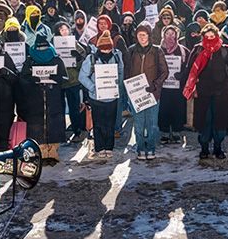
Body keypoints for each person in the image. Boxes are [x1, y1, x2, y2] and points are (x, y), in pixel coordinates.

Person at [183, 24, 228, 159]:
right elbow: (190, 68)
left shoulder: (225, 50)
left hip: (222, 93)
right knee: (205, 121)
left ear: (217, 36)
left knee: (220, 121)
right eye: (207, 36)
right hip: (203, 93)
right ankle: (204, 148)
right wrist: (193, 84)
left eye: (212, 36)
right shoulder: (198, 49)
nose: (209, 39)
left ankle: (218, 148)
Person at [18, 32, 68, 165]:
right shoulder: (31, 61)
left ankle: (52, 153)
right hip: (36, 99)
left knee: (53, 124)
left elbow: (63, 78)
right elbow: (23, 79)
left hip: (52, 98)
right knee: (37, 125)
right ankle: (41, 153)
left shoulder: (55, 60)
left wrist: (55, 79)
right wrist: (33, 80)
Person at [125, 22, 168, 160]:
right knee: (138, 124)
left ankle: (150, 148)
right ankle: (140, 149)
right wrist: (129, 88)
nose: (142, 37)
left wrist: (155, 85)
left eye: (144, 35)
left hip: (152, 93)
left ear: (149, 35)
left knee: (152, 124)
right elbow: (126, 71)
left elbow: (164, 71)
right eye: (139, 35)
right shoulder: (131, 50)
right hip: (136, 94)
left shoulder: (157, 51)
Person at [79, 30, 124, 158]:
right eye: (103, 48)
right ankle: (99, 147)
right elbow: (82, 76)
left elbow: (121, 73)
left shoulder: (116, 57)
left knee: (110, 123)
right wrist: (93, 88)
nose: (106, 51)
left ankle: (109, 147)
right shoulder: (91, 59)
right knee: (98, 123)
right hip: (96, 97)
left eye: (108, 48)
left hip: (111, 97)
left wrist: (117, 86)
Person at [157, 24, 189, 144]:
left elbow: (188, 66)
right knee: (163, 109)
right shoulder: (158, 50)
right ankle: (164, 132)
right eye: (167, 33)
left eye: (172, 34)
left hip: (178, 86)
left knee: (178, 108)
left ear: (176, 35)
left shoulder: (183, 50)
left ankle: (176, 131)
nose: (170, 36)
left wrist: (182, 75)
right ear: (163, 35)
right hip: (163, 86)